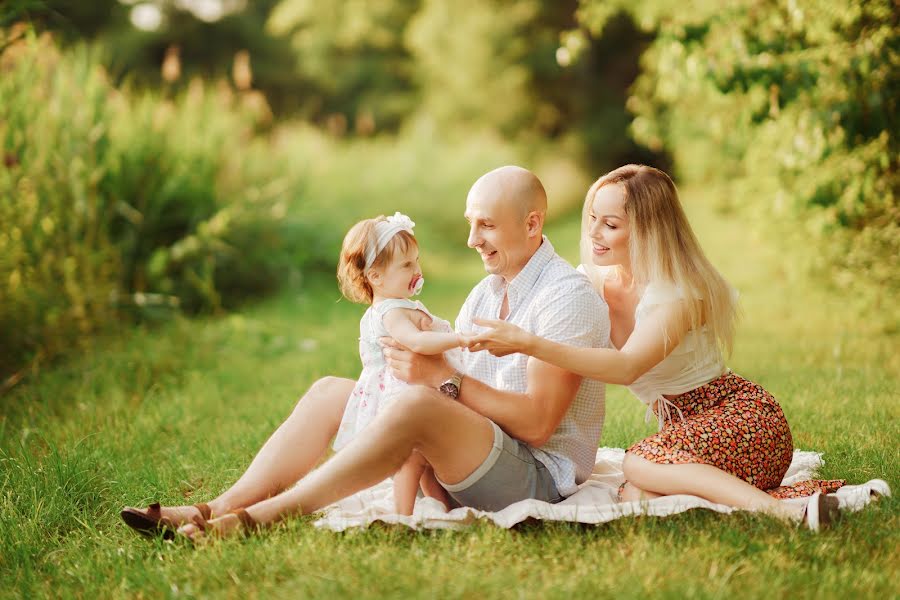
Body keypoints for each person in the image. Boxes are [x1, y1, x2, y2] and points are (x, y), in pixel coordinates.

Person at [120, 165, 608, 541]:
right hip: (474, 454)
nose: (471, 240)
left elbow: (538, 424)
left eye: (486, 226)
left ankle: (255, 520)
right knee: (331, 391)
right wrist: (417, 371)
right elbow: (447, 375)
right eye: (469, 224)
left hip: (531, 477)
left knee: (417, 403)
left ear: (531, 223)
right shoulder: (488, 290)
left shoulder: (566, 297)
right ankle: (213, 507)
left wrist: (439, 379)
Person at [468, 164, 844, 530]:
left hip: (742, 418)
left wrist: (531, 344)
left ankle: (788, 515)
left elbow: (626, 367)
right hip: (685, 436)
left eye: (611, 224)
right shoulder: (593, 283)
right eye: (593, 218)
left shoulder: (678, 294)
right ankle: (753, 503)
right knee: (636, 497)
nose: (594, 232)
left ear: (648, 229)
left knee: (637, 464)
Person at [333, 211, 463, 515]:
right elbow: (416, 342)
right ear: (375, 276)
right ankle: (403, 512)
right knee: (412, 457)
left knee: (426, 458)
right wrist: (459, 338)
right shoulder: (390, 312)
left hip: (411, 390)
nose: (416, 270)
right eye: (406, 265)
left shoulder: (399, 305)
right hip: (397, 397)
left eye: (416, 261)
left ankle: (440, 507)